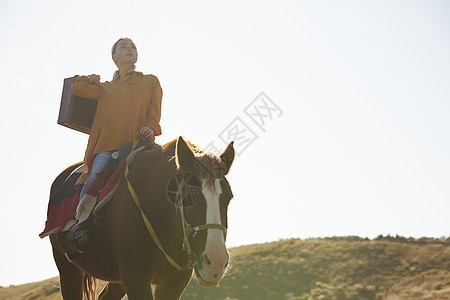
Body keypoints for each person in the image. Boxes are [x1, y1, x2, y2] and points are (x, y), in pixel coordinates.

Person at [66, 38, 162, 254]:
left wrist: (150, 126)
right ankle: (82, 225)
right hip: (107, 147)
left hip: (139, 142)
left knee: (167, 170)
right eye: (124, 48)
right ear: (114, 58)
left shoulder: (150, 81)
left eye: (133, 47)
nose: (130, 50)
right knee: (96, 173)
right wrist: (90, 78)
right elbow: (77, 88)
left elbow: (155, 110)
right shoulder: (105, 88)